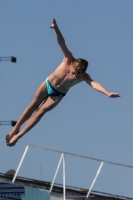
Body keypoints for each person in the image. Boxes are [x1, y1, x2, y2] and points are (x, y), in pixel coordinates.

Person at [6, 18, 120, 147]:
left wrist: (107, 93)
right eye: (73, 72)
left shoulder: (83, 76)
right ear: (72, 64)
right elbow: (61, 42)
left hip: (58, 94)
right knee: (32, 105)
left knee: (40, 112)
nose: (73, 75)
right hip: (48, 84)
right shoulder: (68, 58)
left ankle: (18, 136)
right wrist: (56, 28)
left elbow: (94, 84)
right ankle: (14, 129)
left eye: (77, 75)